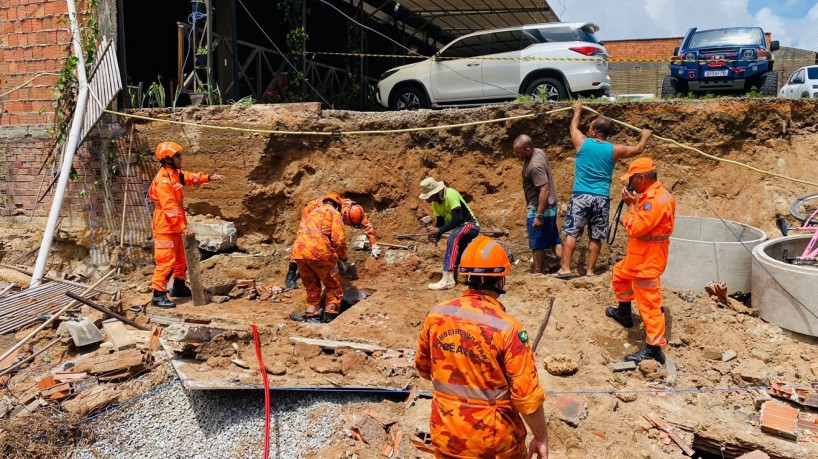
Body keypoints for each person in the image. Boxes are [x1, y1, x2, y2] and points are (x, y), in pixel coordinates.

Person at [416, 236, 549, 459]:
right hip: (493, 444)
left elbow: (423, 369)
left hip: (446, 436)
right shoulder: (508, 328)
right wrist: (541, 437)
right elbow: (527, 398)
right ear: (500, 280)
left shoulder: (437, 314)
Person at [554, 102, 653, 278]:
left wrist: (577, 111)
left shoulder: (582, 143)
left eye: (590, 128)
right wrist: (644, 135)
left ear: (594, 132)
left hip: (581, 195)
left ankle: (565, 268)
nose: (588, 131)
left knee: (572, 232)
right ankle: (590, 271)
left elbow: (573, 127)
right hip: (601, 197)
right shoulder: (614, 150)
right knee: (596, 236)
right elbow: (638, 149)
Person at [607, 158, 676, 364]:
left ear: (641, 177)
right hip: (641, 255)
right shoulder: (655, 195)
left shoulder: (653, 202)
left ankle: (654, 350)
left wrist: (630, 207)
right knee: (620, 273)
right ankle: (624, 312)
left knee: (649, 304)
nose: (630, 184)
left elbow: (635, 228)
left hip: (647, 261)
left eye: (632, 179)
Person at [148, 141, 224, 308]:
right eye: (178, 156)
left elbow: (189, 177)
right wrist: (183, 227)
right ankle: (158, 295)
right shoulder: (163, 181)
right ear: (168, 159)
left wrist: (208, 177)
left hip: (174, 225)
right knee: (166, 261)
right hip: (165, 226)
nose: (181, 158)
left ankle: (179, 286)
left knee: (180, 259)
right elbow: (170, 207)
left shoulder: (174, 174)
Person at [285, 195, 378, 289]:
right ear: (344, 216)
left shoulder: (356, 210)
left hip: (328, 220)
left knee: (330, 244)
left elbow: (366, 226)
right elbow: (337, 240)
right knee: (303, 241)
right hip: (312, 216)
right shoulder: (323, 208)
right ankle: (291, 274)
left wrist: (374, 245)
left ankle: (334, 265)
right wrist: (344, 258)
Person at [289, 194, 349, 323]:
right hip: (319, 252)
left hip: (299, 252)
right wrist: (343, 257)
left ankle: (312, 316)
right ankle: (330, 316)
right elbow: (338, 239)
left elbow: (300, 232)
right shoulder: (334, 213)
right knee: (334, 286)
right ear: (338, 206)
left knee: (312, 287)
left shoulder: (312, 213)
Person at [513, 134, 563, 274]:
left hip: (540, 208)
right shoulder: (539, 152)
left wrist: (539, 215)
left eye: (518, 152)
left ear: (528, 150)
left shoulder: (534, 166)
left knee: (537, 243)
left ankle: (538, 273)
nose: (516, 155)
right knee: (554, 239)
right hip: (550, 206)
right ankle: (565, 267)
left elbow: (544, 190)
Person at [418, 177, 480, 290]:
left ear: (436, 192)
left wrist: (439, 230)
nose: (427, 200)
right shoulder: (436, 203)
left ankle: (447, 279)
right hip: (458, 229)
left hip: (470, 225)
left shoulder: (450, 194)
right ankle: (470, 279)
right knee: (459, 252)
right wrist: (436, 235)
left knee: (453, 238)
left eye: (428, 196)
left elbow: (458, 218)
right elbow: (440, 223)